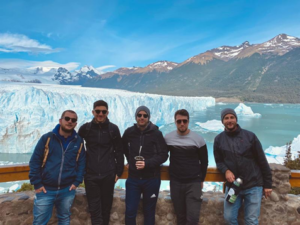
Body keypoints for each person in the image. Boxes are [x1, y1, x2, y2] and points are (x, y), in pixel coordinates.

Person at [214, 108, 272, 225]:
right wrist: (226, 170)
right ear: (222, 121)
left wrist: (268, 184)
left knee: (251, 221)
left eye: (232, 117)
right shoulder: (219, 140)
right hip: (234, 186)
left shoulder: (250, 136)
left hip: (253, 185)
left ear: (236, 119)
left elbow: (262, 160)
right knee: (229, 218)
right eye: (226, 118)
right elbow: (219, 161)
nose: (229, 120)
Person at [29, 110, 86, 225]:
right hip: (46, 190)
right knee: (39, 222)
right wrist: (38, 184)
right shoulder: (47, 139)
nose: (70, 121)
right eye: (67, 118)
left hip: (67, 190)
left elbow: (81, 163)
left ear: (75, 124)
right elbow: (35, 161)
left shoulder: (78, 141)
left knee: (64, 219)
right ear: (61, 120)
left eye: (73, 120)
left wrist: (76, 182)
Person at [78, 100, 124, 225]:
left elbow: (119, 151)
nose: (100, 114)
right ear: (93, 112)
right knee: (95, 210)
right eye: (98, 111)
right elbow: (76, 148)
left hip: (108, 174)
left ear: (107, 113)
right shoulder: (86, 128)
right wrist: (81, 171)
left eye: (103, 112)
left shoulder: (113, 129)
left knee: (105, 209)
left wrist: (118, 171)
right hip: (91, 175)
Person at [122, 106, 168, 225]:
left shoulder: (156, 134)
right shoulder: (129, 132)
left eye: (145, 115)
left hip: (151, 179)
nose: (142, 118)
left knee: (149, 212)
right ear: (136, 117)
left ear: (148, 117)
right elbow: (123, 148)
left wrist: (147, 163)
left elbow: (164, 155)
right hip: (133, 179)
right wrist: (130, 160)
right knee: (130, 211)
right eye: (139, 115)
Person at [165, 109, 208, 225]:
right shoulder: (168, 139)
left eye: (184, 121)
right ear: (175, 122)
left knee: (192, 219)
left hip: (193, 183)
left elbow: (204, 161)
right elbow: (161, 155)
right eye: (179, 121)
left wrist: (201, 178)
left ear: (188, 121)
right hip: (176, 182)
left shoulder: (198, 139)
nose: (182, 124)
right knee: (180, 218)